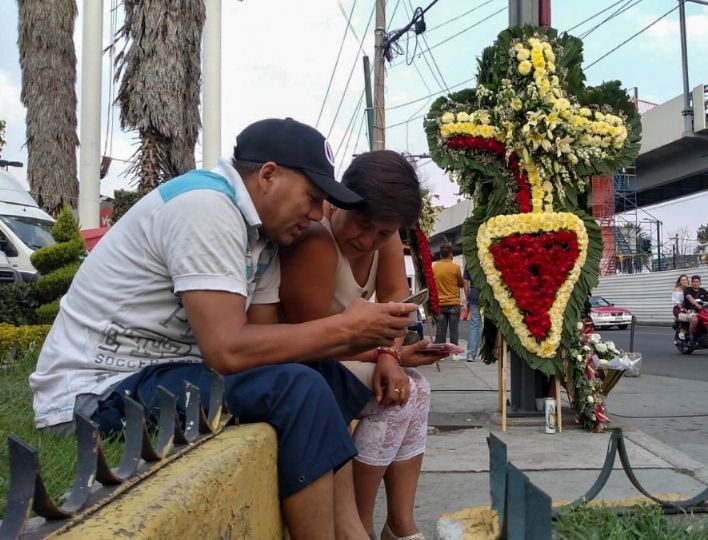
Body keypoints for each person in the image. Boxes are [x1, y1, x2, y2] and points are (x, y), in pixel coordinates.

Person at [29, 118, 418, 540]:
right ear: (268, 175)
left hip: (165, 372)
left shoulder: (264, 237)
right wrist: (345, 328)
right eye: (311, 197)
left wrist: (362, 343)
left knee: (321, 375)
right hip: (96, 391)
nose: (314, 213)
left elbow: (269, 344)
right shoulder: (206, 205)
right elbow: (227, 350)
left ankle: (351, 533)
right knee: (297, 390)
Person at [280, 150, 441, 540]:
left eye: (383, 233)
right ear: (340, 200)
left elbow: (395, 299)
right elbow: (312, 341)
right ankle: (361, 526)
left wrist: (390, 355)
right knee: (401, 394)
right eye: (362, 224)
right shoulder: (317, 242)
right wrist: (390, 355)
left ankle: (399, 524)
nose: (368, 239)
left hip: (342, 352)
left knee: (413, 388)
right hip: (306, 361)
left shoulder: (383, 235)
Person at [432, 242, 464, 351]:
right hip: (453, 304)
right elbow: (461, 283)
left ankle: (440, 352)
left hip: (440, 304)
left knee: (441, 330)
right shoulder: (455, 268)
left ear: (440, 255)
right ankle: (454, 352)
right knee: (454, 329)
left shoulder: (435, 267)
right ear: (451, 254)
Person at [462, 266, 482, 362]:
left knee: (474, 324)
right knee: (490, 324)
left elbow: (465, 282)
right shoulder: (488, 256)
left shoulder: (470, 262)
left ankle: (471, 354)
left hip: (474, 295)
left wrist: (468, 298)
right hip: (488, 296)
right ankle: (493, 352)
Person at [672, 274, 689, 340]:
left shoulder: (689, 289)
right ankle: (682, 331)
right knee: (683, 315)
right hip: (678, 308)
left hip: (687, 308)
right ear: (680, 282)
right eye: (683, 280)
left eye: (685, 280)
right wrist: (683, 308)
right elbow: (678, 302)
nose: (684, 281)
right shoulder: (677, 291)